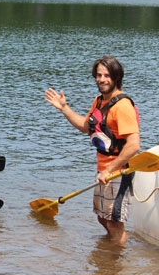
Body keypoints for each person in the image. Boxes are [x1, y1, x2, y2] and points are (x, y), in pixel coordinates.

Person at [44, 56, 140, 245]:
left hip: (118, 172)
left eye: (107, 75)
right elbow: (86, 127)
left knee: (114, 223)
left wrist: (109, 169)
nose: (102, 79)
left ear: (116, 77)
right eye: (98, 75)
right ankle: (107, 257)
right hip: (104, 169)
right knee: (102, 218)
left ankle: (115, 269)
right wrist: (64, 108)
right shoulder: (99, 101)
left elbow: (134, 145)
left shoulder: (122, 106)